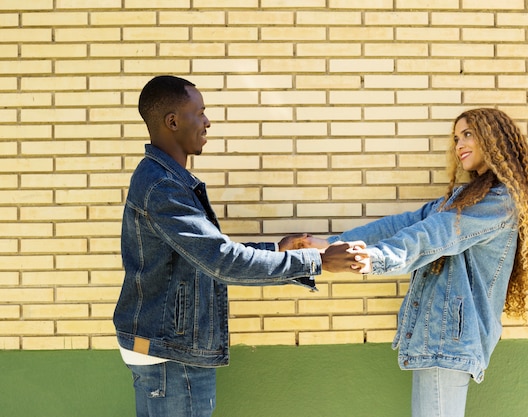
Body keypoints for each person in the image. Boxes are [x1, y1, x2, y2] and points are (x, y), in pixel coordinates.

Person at [113, 75, 366, 417]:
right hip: (171, 353)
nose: (207, 121)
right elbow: (220, 261)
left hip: (165, 346)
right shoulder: (162, 186)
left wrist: (275, 250)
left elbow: (203, 253)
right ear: (172, 121)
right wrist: (317, 261)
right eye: (199, 112)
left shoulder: (165, 179)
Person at [307, 108, 528, 417]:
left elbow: (435, 234)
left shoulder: (499, 202)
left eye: (468, 134)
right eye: (456, 137)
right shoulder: (464, 197)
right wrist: (334, 244)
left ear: (494, 138)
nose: (459, 144)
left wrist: (376, 259)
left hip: (449, 339)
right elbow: (404, 223)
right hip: (440, 337)